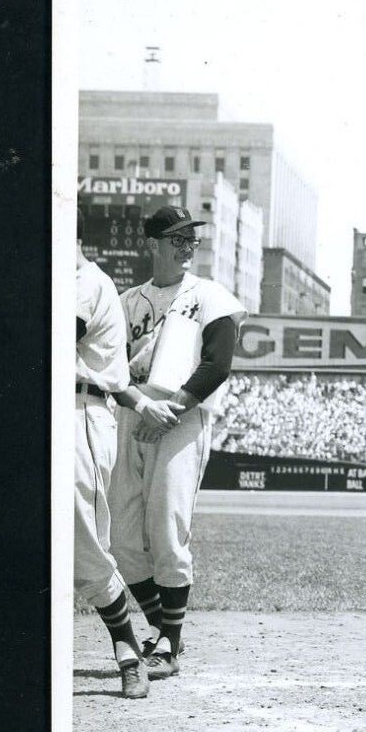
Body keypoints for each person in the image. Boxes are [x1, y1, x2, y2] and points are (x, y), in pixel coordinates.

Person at [110, 204, 247, 681]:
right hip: (131, 415)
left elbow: (218, 363)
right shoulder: (126, 301)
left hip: (180, 417)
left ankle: (166, 642)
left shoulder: (210, 295)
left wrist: (173, 410)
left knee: (167, 528)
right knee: (122, 537)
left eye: (191, 239)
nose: (187, 246)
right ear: (154, 244)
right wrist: (137, 407)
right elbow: (112, 368)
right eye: (177, 238)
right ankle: (166, 628)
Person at [74, 205, 179, 698]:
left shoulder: (87, 281)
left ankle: (127, 647)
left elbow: (55, 342)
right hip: (52, 412)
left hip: (81, 414)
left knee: (86, 546)